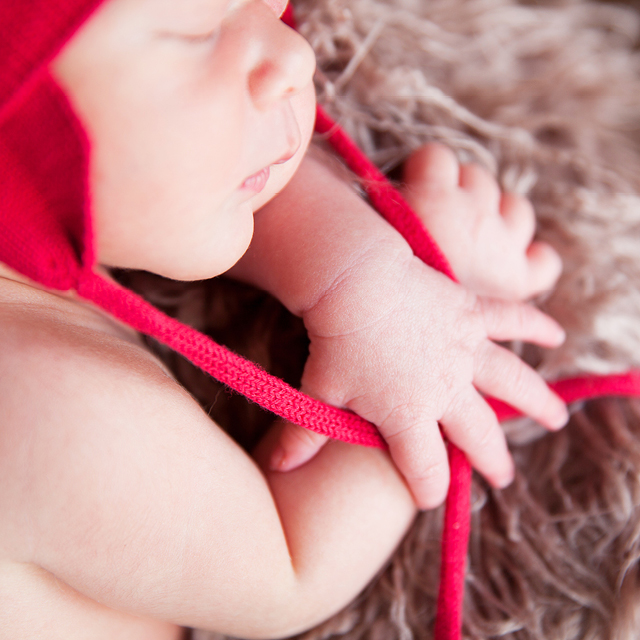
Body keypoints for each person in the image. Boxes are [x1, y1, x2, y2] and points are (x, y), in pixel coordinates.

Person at [0, 0, 568, 637]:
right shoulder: (41, 409)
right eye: (203, 29)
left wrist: (368, 281)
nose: (297, 56)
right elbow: (291, 564)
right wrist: (441, 297)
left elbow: (177, 192)